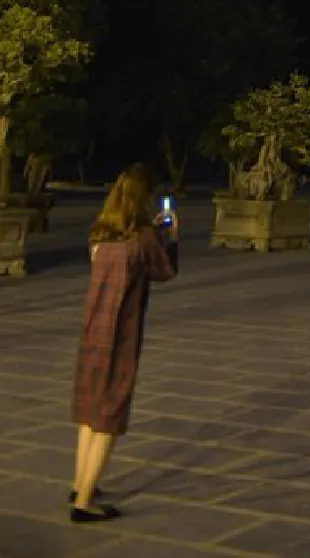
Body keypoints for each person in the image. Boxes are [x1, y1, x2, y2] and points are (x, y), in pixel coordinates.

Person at [69, 168, 178, 522]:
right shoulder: (143, 239)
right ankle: (84, 502)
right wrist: (170, 235)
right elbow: (165, 272)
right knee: (109, 415)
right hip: (120, 335)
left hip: (91, 332)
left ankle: (79, 482)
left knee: (89, 409)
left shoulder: (99, 236)